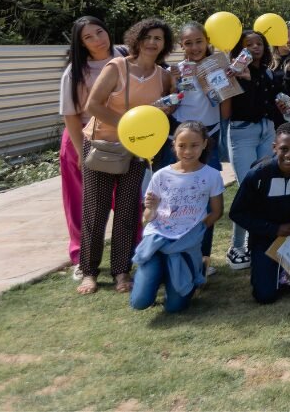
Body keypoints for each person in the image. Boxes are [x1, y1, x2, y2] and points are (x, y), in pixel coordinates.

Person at [80, 18, 177, 295]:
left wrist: (165, 111)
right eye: (147, 37)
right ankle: (89, 272)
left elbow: (160, 112)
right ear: (136, 39)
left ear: (164, 44)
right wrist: (128, 124)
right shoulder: (117, 67)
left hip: (137, 151)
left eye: (158, 38)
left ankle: (122, 272)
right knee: (95, 213)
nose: (152, 42)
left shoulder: (163, 75)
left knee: (127, 213)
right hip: (103, 147)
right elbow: (93, 105)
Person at [228, 122, 290, 304]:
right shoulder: (257, 175)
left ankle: (285, 269)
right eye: (284, 149)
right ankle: (266, 269)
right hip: (264, 239)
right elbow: (237, 213)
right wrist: (272, 229)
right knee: (265, 296)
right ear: (274, 147)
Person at [58, 16, 126, 279]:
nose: (98, 39)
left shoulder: (125, 56)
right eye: (89, 37)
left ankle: (128, 256)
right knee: (83, 203)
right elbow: (71, 115)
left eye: (100, 31)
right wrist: (80, 152)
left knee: (129, 200)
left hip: (122, 137)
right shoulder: (75, 71)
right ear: (81, 43)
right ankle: (81, 257)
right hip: (83, 139)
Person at [131, 122, 223, 313]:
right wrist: (152, 208)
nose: (187, 151)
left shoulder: (212, 175)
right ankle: (158, 271)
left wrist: (199, 229)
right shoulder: (160, 175)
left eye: (194, 145)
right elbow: (147, 218)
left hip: (185, 244)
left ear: (204, 144)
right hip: (157, 241)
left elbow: (217, 211)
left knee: (175, 308)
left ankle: (197, 266)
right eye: (181, 145)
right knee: (139, 302)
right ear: (174, 145)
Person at [164, 22, 229, 274]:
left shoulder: (218, 66)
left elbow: (225, 101)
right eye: (188, 43)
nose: (194, 47)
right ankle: (175, 254)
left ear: (207, 40)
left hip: (209, 137)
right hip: (180, 138)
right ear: (181, 46)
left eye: (199, 41)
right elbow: (169, 104)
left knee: (207, 198)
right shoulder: (175, 71)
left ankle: (203, 257)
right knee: (177, 199)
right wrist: (173, 83)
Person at [225, 29, 282, 270]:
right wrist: (244, 79)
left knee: (264, 186)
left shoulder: (268, 72)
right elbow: (242, 105)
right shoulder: (232, 72)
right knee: (247, 186)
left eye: (259, 43)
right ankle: (235, 247)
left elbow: (267, 105)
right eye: (249, 44)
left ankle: (253, 241)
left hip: (266, 131)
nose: (255, 48)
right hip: (242, 132)